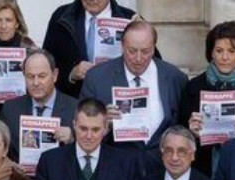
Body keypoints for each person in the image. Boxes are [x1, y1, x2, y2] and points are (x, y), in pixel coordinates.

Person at [80, 20, 187, 161]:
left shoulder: (175, 77)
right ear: (122, 46)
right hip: (116, 165)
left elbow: (182, 126)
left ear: (154, 48)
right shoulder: (97, 78)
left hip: (161, 166)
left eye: (145, 51)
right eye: (132, 51)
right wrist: (103, 122)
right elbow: (81, 127)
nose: (138, 58)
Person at [179, 21, 235, 175]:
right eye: (219, 51)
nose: (225, 57)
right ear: (211, 53)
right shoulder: (194, 87)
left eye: (231, 51)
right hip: (201, 169)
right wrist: (191, 133)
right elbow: (178, 131)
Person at [43, 0, 139, 96]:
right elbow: (45, 64)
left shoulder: (130, 19)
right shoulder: (61, 17)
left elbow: (151, 62)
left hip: (115, 100)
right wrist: (71, 73)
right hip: (74, 101)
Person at [0, 51, 77, 160]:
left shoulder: (75, 108)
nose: (35, 82)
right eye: (30, 76)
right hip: (21, 176)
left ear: (55, 75)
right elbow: (2, 149)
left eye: (42, 76)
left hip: (60, 175)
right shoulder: (10, 109)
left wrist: (73, 138)